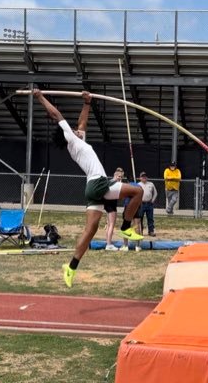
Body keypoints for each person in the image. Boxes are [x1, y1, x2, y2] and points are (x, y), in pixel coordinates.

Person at [33, 89, 143, 287]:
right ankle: (126, 228)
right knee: (138, 191)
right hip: (98, 183)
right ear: (67, 134)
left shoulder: (77, 142)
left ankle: (71, 267)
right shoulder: (71, 139)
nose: (77, 130)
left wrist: (87, 103)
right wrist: (40, 97)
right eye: (73, 131)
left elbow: (82, 123)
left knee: (89, 231)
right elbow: (56, 114)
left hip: (92, 189)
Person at [120, 177, 143, 252]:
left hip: (128, 206)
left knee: (126, 226)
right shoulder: (139, 186)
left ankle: (126, 245)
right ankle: (138, 246)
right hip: (137, 206)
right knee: (137, 225)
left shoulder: (126, 186)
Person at [104, 168, 124, 251]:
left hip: (110, 205)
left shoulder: (112, 182)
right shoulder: (112, 182)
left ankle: (108, 242)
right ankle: (109, 244)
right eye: (119, 176)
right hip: (110, 205)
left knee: (109, 225)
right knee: (111, 224)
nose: (120, 178)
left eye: (121, 177)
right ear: (115, 175)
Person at [138, 171, 158, 237]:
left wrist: (152, 200)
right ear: (140, 178)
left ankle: (151, 231)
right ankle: (140, 231)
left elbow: (155, 193)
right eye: (142, 176)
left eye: (145, 176)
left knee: (150, 218)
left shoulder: (151, 184)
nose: (144, 177)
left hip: (149, 204)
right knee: (140, 218)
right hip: (141, 204)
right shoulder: (138, 184)